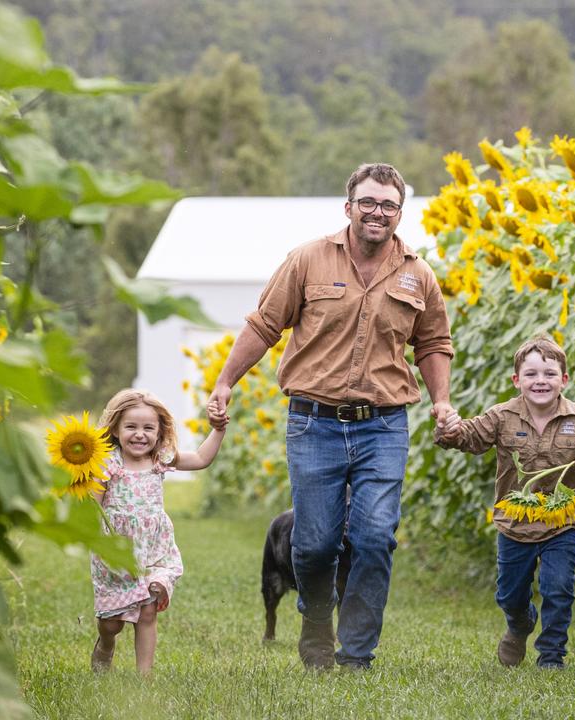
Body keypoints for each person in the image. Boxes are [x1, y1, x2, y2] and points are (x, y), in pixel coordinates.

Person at [206, 163, 456, 671]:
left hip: (384, 425)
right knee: (315, 541)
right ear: (348, 207)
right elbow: (264, 325)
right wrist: (224, 381)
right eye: (368, 202)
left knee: (375, 536)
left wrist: (442, 402)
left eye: (388, 205)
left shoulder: (418, 274)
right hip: (313, 422)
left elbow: (433, 343)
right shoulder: (307, 260)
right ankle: (317, 619)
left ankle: (357, 652)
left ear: (399, 213)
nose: (377, 213)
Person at [436, 336, 575, 669]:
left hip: (562, 520)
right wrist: (450, 430)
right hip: (515, 523)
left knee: (558, 586)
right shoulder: (502, 416)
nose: (541, 381)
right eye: (532, 374)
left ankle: (551, 655)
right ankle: (519, 623)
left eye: (550, 374)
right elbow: (469, 436)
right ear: (517, 380)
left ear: (564, 380)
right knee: (509, 594)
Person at [89, 389, 227, 674]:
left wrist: (218, 430)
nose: (140, 434)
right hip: (118, 553)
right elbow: (92, 507)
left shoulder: (159, 459)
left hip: (154, 550)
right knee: (111, 622)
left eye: (148, 428)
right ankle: (105, 643)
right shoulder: (108, 463)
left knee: (148, 608)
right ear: (115, 428)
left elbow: (201, 458)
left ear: (159, 432)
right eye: (131, 427)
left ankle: (145, 677)